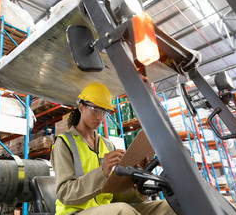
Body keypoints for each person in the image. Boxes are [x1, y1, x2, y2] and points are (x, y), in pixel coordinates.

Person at [50, 82, 176, 215]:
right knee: (122, 210)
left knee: (167, 207)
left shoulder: (108, 145)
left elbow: (114, 195)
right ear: (81, 107)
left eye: (104, 112)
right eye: (95, 110)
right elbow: (64, 194)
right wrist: (102, 172)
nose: (100, 117)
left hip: (107, 209)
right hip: (75, 211)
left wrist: (137, 185)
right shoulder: (64, 143)